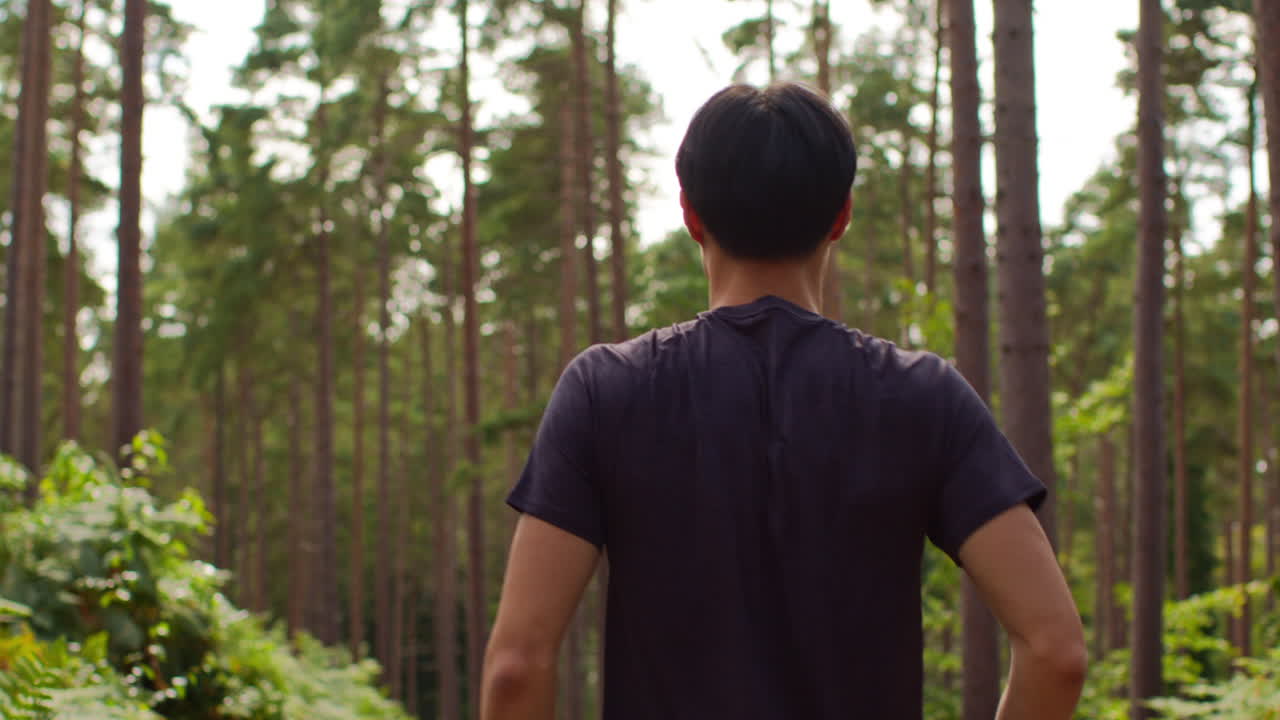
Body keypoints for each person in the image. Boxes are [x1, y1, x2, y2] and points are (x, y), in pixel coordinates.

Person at [481, 82, 1086, 720]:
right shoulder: (923, 396)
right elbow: (1056, 653)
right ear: (841, 216)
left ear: (690, 214)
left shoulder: (605, 391)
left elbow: (517, 668)